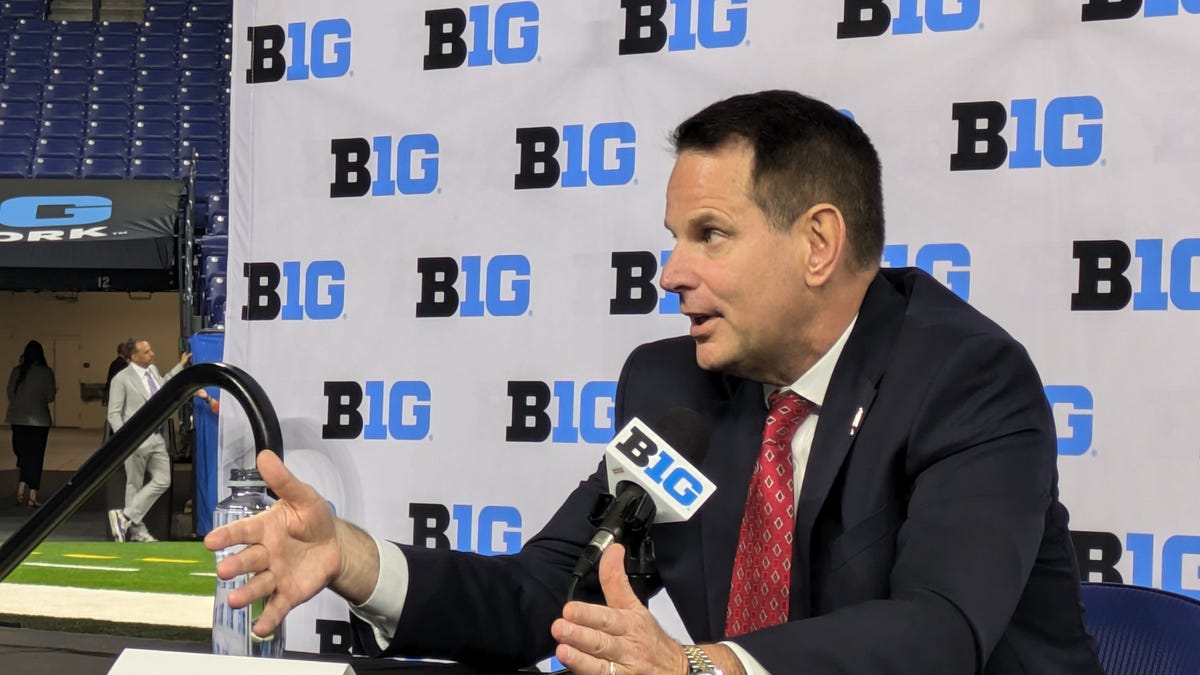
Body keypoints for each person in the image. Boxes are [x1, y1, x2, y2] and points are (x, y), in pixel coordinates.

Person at [206, 90, 1103, 674]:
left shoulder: (966, 379)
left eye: (709, 234)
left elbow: (939, 630)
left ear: (818, 243)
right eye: (674, 238)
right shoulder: (678, 392)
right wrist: (352, 557)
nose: (670, 273)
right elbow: (546, 595)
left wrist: (701, 666)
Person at [106, 337, 197, 542]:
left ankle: (125, 516)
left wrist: (180, 366)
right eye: (146, 352)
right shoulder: (121, 379)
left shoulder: (153, 371)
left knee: (163, 480)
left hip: (156, 435)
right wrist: (125, 438)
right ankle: (137, 532)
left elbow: (163, 387)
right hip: (135, 438)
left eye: (150, 350)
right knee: (134, 485)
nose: (152, 354)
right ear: (134, 356)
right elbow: (113, 413)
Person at [5, 340, 56, 508]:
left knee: (24, 454)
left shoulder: (17, 371)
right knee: (36, 456)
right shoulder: (46, 372)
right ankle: (32, 493)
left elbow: (10, 394)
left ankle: (21, 487)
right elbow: (50, 396)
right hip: (39, 420)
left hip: (18, 419)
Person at [102, 341, 131, 409]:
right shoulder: (123, 364)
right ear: (124, 351)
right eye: (127, 351)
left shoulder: (113, 363)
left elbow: (109, 381)